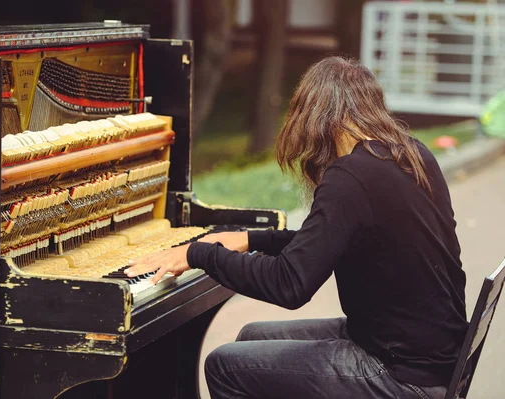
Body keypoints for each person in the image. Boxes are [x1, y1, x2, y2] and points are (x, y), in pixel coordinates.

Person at [125, 56, 468, 399]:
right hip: (428, 355)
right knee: (251, 338)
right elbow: (328, 241)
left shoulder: (350, 176)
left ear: (318, 118)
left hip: (401, 374)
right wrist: (249, 238)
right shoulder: (411, 155)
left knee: (225, 365)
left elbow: (289, 284)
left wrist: (198, 253)